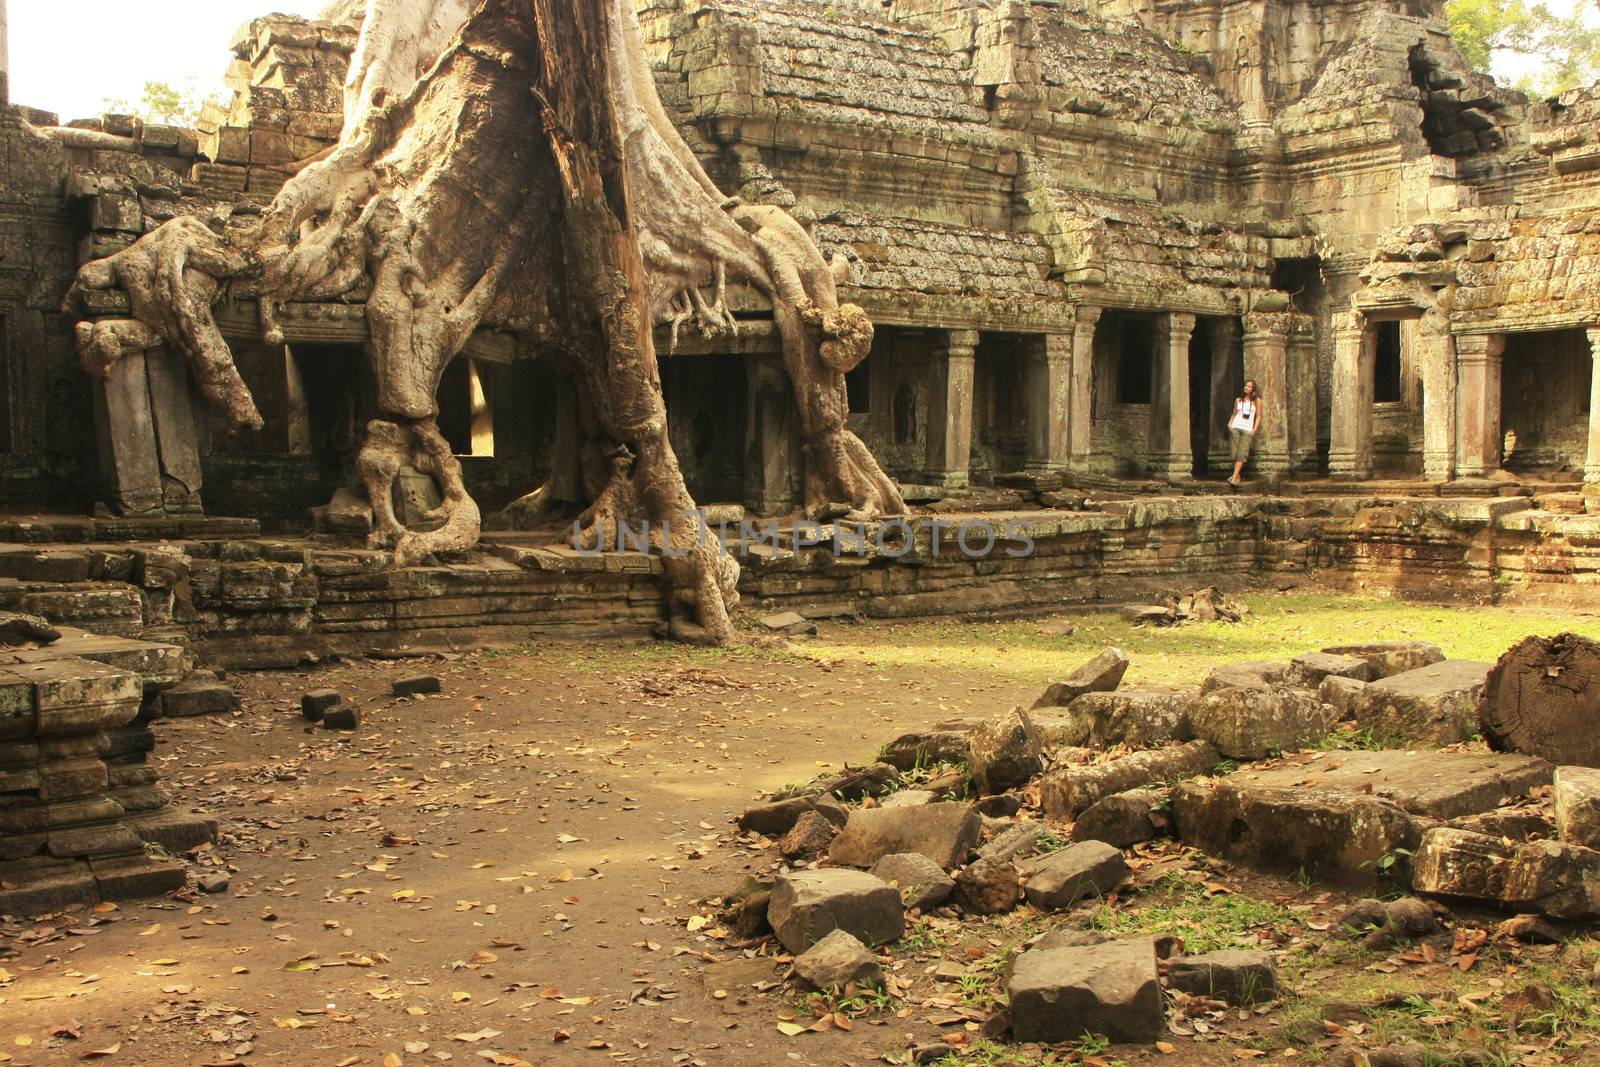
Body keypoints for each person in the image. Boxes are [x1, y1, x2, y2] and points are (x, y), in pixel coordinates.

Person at [1227, 379, 1261, 486]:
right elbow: (1234, 413)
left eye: (1249, 386)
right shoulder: (1238, 400)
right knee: (1235, 452)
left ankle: (1234, 476)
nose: (1247, 388)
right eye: (1246, 386)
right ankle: (1237, 476)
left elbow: (1259, 416)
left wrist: (1254, 429)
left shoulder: (1257, 401)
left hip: (1247, 429)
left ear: (1253, 389)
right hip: (1236, 426)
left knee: (1242, 452)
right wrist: (1230, 424)